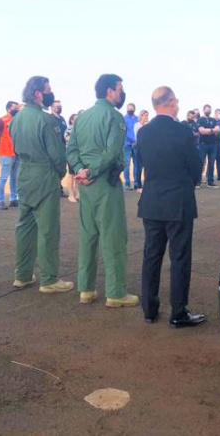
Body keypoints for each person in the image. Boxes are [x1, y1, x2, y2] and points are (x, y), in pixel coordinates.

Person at [66, 74, 139, 308]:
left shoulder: (82, 117)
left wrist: (80, 170)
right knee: (113, 237)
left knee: (88, 236)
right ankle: (116, 293)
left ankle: (86, 289)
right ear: (109, 91)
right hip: (105, 183)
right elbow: (112, 152)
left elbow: (71, 149)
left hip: (85, 186)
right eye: (119, 89)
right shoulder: (114, 117)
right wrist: (91, 172)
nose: (121, 93)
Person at [136, 86, 206, 327]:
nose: (178, 104)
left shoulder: (143, 132)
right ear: (170, 102)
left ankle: (149, 309)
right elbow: (195, 166)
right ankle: (178, 312)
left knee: (151, 256)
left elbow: (143, 162)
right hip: (178, 201)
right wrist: (189, 183)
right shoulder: (183, 131)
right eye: (176, 100)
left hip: (152, 200)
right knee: (179, 257)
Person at [9, 76, 73, 294]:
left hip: (24, 173)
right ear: (38, 93)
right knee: (48, 229)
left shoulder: (16, 118)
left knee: (25, 226)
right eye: (48, 90)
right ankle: (49, 278)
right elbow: (57, 155)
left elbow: (15, 149)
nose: (50, 93)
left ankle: (23, 274)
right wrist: (60, 173)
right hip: (44, 175)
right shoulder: (47, 120)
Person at [0, 101, 20, 210]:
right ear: (9, 109)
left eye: (18, 108)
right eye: (15, 108)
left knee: (14, 177)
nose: (17, 110)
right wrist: (3, 146)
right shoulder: (2, 120)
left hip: (16, 153)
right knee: (4, 177)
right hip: (6, 153)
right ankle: (0, 201)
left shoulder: (18, 120)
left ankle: (14, 199)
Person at [196, 104, 220, 188]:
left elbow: (218, 130)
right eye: (207, 110)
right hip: (203, 144)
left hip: (213, 144)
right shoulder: (200, 120)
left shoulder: (213, 120)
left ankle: (210, 181)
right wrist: (212, 130)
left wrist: (209, 130)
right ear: (204, 110)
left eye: (209, 110)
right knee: (201, 163)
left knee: (211, 164)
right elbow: (202, 131)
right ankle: (197, 182)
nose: (208, 111)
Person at [51, 100, 69, 198]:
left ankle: (59, 187)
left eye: (60, 106)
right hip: (54, 147)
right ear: (52, 107)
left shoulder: (62, 119)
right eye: (56, 106)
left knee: (62, 168)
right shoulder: (50, 119)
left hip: (63, 147)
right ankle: (56, 189)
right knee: (55, 168)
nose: (58, 108)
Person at [123, 103, 140, 189]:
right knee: (126, 164)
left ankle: (136, 183)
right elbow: (123, 132)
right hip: (127, 144)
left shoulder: (138, 119)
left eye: (131, 109)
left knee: (136, 164)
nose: (130, 110)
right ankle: (127, 183)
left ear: (134, 109)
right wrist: (132, 140)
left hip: (136, 145)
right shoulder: (124, 118)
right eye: (128, 109)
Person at [64, 113, 80, 203]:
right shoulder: (69, 130)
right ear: (71, 120)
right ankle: (71, 195)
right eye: (75, 119)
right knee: (71, 174)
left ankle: (77, 193)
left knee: (77, 173)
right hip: (71, 154)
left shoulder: (80, 128)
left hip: (79, 153)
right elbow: (68, 139)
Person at [133, 110, 149, 191]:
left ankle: (147, 184)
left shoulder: (148, 125)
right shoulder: (137, 125)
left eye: (147, 116)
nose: (147, 117)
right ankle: (138, 185)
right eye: (145, 115)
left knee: (147, 166)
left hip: (146, 147)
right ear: (141, 116)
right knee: (138, 167)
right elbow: (138, 136)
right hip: (138, 147)